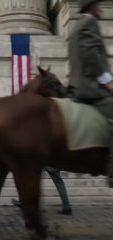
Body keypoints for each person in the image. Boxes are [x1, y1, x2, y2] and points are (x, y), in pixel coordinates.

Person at [68, 0, 113, 186]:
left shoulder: (76, 26)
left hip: (77, 84)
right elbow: (91, 55)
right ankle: (112, 170)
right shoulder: (89, 22)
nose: (101, 9)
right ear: (92, 8)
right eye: (98, 5)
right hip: (89, 87)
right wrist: (107, 81)